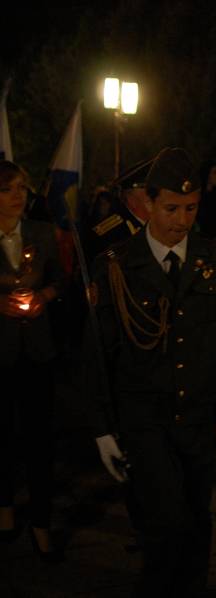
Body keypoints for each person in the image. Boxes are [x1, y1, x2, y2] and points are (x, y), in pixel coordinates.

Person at [87, 147, 216, 597]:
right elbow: (96, 351)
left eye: (190, 208)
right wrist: (102, 427)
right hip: (144, 416)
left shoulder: (215, 257)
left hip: (197, 412)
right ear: (148, 203)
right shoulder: (116, 264)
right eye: (171, 207)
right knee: (165, 521)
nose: (181, 219)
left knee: (196, 519)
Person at [0, 160, 64, 562]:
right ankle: (4, 507)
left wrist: (45, 297)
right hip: (1, 352)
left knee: (40, 438)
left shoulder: (41, 233)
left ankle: (41, 521)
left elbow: (61, 279)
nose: (18, 196)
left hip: (38, 349)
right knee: (2, 434)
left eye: (22, 187)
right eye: (8, 189)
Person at [83, 158, 152, 262]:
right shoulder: (111, 233)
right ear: (130, 199)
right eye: (149, 192)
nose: (156, 197)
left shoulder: (159, 225)